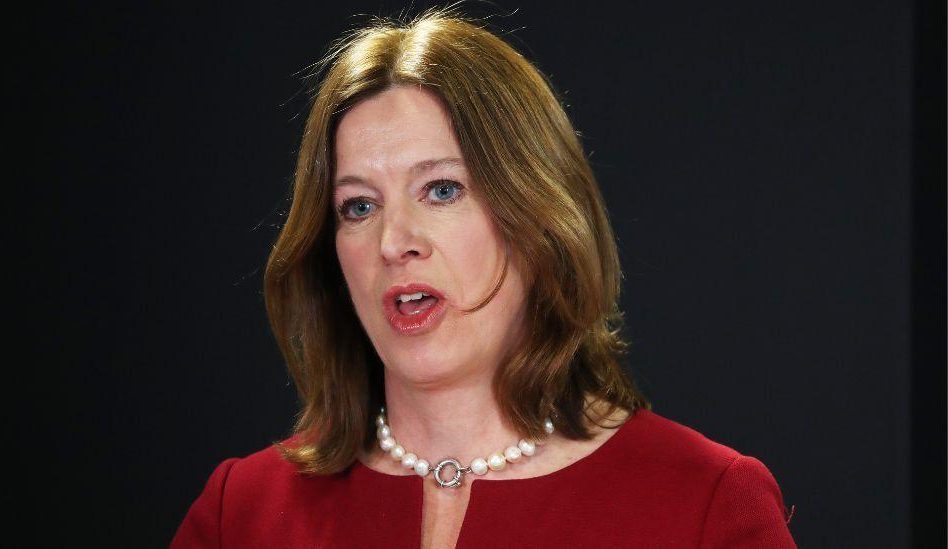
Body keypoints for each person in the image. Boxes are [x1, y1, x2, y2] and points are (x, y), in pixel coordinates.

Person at [173, 7, 796, 548]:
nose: (393, 242)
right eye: (358, 206)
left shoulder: (706, 505)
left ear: (538, 216)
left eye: (441, 190)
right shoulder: (242, 512)